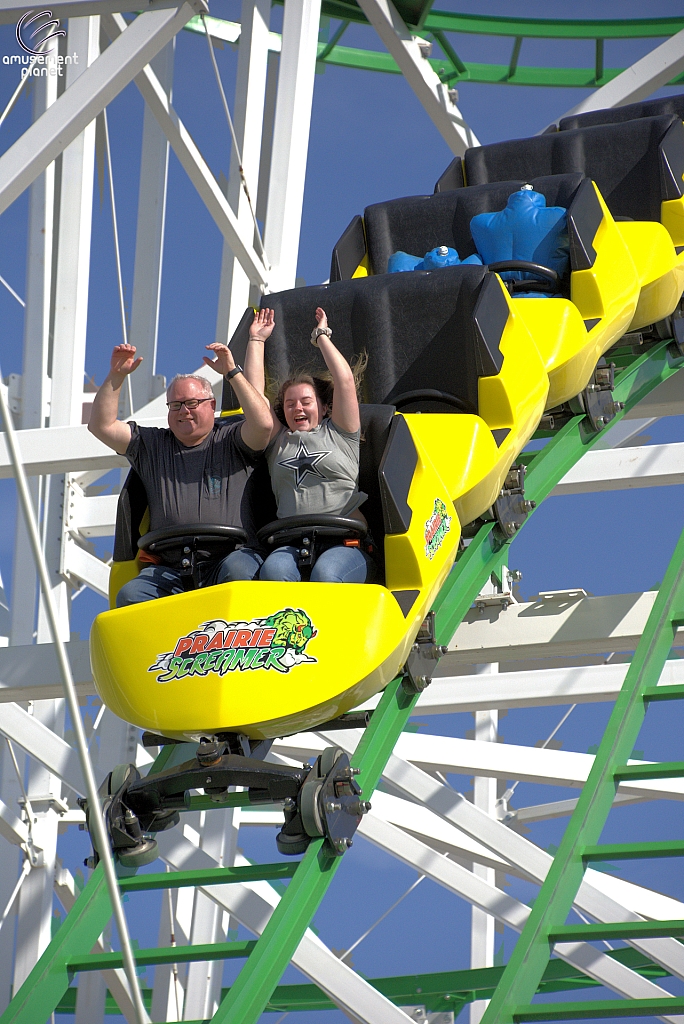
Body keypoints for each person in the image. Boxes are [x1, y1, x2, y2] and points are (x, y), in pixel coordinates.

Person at [88, 338, 273, 606]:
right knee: (131, 595)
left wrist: (232, 372)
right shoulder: (151, 446)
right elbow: (101, 426)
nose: (183, 411)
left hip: (231, 558)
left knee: (241, 574)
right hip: (170, 568)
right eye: (175, 405)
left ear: (211, 405)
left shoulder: (233, 439)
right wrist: (116, 376)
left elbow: (264, 424)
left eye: (191, 403)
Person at [244, 306, 373, 583]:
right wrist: (256, 341)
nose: (297, 408)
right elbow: (254, 400)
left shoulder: (341, 433)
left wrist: (321, 336)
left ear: (325, 408)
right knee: (273, 572)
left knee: (327, 574)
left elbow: (345, 381)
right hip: (290, 541)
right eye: (290, 404)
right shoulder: (278, 441)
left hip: (343, 540)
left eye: (306, 401)